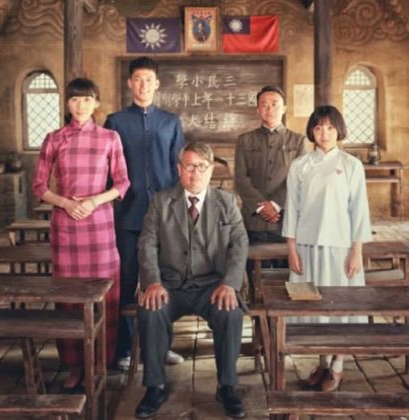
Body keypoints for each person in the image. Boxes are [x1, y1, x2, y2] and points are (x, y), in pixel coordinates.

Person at [134, 142, 248, 419]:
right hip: (170, 285)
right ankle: (154, 386)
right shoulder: (161, 201)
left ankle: (227, 386)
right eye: (188, 166)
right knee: (151, 309)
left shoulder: (226, 202)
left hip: (212, 286)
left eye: (201, 166)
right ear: (179, 169)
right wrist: (152, 282)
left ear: (211, 170)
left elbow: (240, 244)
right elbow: (147, 243)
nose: (194, 172)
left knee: (231, 312)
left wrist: (230, 284)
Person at [32, 78, 130, 390]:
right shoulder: (54, 138)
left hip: (99, 227)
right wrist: (65, 203)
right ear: (67, 103)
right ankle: (74, 365)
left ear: (96, 103)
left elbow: (122, 183)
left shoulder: (109, 137)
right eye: (74, 99)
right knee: (68, 297)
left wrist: (93, 201)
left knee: (105, 293)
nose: (80, 105)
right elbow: (39, 186)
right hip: (66, 228)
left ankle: (101, 361)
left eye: (87, 99)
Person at [282, 105, 372, 392]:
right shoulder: (300, 165)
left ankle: (338, 365)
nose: (324, 133)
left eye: (331, 127)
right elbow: (292, 209)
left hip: (341, 247)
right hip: (307, 247)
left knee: (340, 307)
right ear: (311, 131)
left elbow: (359, 210)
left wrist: (357, 250)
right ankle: (322, 362)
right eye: (319, 127)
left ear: (339, 130)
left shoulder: (351, 165)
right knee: (314, 306)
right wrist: (292, 248)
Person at [104, 56, 185, 371]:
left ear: (157, 83)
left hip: (164, 214)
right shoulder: (115, 122)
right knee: (127, 279)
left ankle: (162, 346)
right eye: (137, 79)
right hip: (128, 212)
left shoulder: (170, 122)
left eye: (149, 79)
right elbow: (107, 169)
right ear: (130, 83)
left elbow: (179, 169)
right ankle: (124, 349)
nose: (143, 84)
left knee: (163, 279)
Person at [235, 85, 306, 272]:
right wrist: (261, 206)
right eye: (264, 104)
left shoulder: (298, 141)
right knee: (255, 274)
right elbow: (241, 179)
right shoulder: (245, 140)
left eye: (275, 104)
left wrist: (275, 205)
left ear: (284, 108)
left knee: (288, 275)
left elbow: (299, 179)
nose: (270, 109)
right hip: (253, 220)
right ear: (258, 110)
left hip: (286, 219)